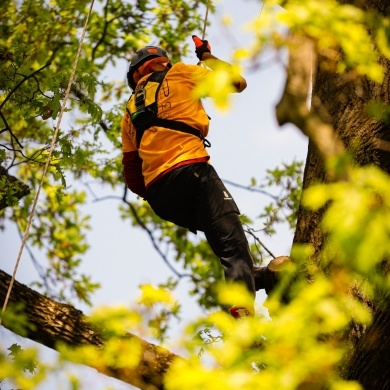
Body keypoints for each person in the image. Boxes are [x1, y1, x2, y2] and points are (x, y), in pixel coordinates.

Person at [121, 35, 286, 319]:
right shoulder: (180, 72)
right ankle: (242, 309)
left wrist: (162, 185)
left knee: (226, 244)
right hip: (192, 171)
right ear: (163, 62)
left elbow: (133, 177)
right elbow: (237, 82)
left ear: (135, 76)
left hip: (161, 197)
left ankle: (266, 279)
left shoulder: (129, 112)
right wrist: (206, 56)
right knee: (231, 240)